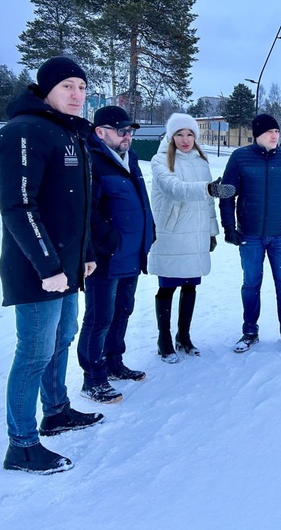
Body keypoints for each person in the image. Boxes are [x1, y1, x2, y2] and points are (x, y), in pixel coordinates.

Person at [0, 56, 103, 475]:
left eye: (81, 86)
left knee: (63, 338)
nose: (77, 95)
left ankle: (56, 410)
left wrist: (86, 253)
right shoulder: (24, 131)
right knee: (34, 352)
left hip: (68, 266)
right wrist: (48, 266)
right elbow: (18, 206)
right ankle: (20, 445)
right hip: (38, 268)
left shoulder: (68, 132)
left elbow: (78, 205)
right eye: (67, 87)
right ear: (46, 90)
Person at [77, 106, 155, 405]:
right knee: (99, 318)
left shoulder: (129, 159)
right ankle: (92, 378)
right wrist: (110, 242)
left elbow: (139, 201)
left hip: (131, 254)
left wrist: (149, 231)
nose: (128, 136)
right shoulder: (92, 160)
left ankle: (113, 362)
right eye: (121, 130)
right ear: (101, 132)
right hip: (106, 257)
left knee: (123, 310)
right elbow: (89, 211)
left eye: (130, 130)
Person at [219, 114, 281, 353]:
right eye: (269, 132)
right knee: (250, 285)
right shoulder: (240, 157)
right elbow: (227, 194)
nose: (275, 135)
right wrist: (229, 227)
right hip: (250, 236)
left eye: (277, 131)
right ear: (257, 134)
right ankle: (249, 331)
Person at [148, 113, 234, 363]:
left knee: (190, 285)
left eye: (189, 134)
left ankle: (183, 337)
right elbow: (173, 188)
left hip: (195, 234)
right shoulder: (160, 160)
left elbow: (208, 204)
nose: (185, 140)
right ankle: (164, 340)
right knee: (167, 287)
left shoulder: (201, 161)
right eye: (179, 134)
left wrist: (211, 232)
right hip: (171, 233)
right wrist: (207, 189)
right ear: (170, 136)